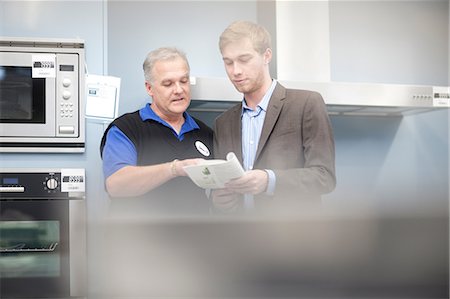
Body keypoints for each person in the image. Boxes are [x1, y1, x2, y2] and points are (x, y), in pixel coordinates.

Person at [213, 20, 336, 214]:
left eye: (244, 59)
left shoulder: (306, 104)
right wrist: (218, 199)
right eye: (228, 62)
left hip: (291, 238)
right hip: (239, 239)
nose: (235, 70)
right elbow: (222, 185)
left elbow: (324, 177)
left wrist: (269, 181)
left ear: (266, 56)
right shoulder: (223, 123)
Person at [100, 47, 213, 216]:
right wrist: (174, 169)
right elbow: (116, 185)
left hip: (194, 239)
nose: (179, 90)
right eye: (168, 84)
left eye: (184, 81)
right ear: (149, 88)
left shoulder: (205, 133)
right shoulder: (125, 129)